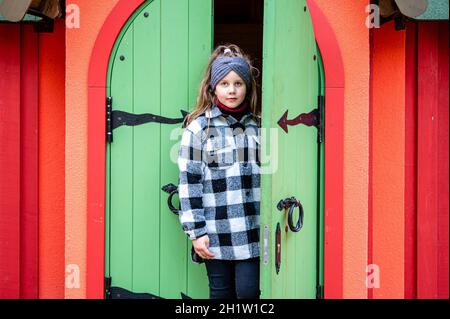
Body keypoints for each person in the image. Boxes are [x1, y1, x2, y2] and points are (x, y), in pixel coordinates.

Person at [177, 44, 261, 299]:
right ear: (213, 87)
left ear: (247, 86)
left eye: (238, 83)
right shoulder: (198, 129)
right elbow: (189, 182)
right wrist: (196, 232)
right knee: (220, 294)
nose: (232, 90)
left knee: (248, 293)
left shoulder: (259, 126)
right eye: (224, 83)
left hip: (252, 231)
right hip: (215, 234)